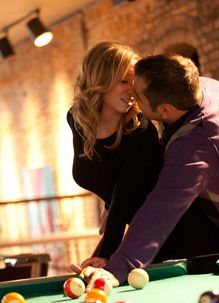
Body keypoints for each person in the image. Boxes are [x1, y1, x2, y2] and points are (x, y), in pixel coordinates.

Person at [72, 53, 219, 289]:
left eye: (138, 94)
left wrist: (117, 268)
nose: (132, 95)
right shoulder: (201, 87)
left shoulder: (197, 147)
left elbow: (160, 210)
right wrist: (112, 204)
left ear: (165, 111)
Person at [67, 42, 163, 270]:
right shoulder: (78, 120)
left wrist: (105, 255)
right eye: (123, 81)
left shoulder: (141, 132)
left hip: (170, 233)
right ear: (100, 79)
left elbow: (126, 197)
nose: (132, 90)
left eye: (135, 82)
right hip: (140, 232)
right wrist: (110, 204)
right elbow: (110, 180)